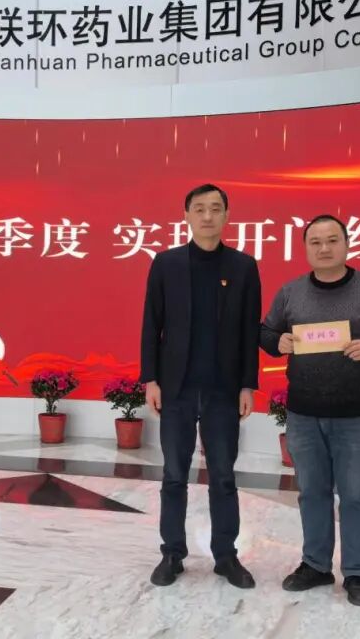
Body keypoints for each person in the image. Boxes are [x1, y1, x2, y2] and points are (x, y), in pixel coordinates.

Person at [259, 214, 360, 606]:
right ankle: (315, 565)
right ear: (305, 248)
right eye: (315, 242)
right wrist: (278, 342)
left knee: (357, 495)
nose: (324, 248)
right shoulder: (291, 292)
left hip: (355, 414)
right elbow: (266, 332)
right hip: (303, 413)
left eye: (332, 240)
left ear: (346, 244)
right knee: (312, 492)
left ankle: (357, 572)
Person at [140, 183, 262, 589]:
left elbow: (249, 331)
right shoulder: (166, 263)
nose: (207, 216)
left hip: (222, 391)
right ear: (187, 215)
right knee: (174, 474)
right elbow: (151, 324)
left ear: (227, 215)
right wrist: (151, 379)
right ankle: (172, 553)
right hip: (175, 388)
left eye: (215, 208)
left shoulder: (243, 267)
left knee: (223, 476)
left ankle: (226, 556)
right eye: (199, 208)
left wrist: (247, 385)